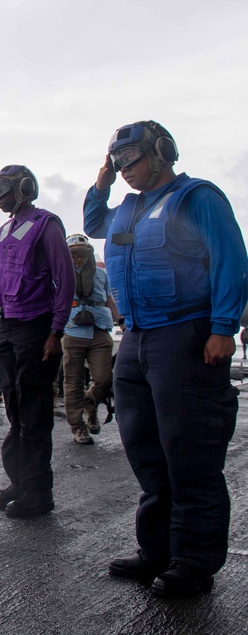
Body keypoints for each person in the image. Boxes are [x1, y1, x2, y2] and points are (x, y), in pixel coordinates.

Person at [84, 120, 248, 598]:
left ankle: (194, 561)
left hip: (186, 334)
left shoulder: (197, 198)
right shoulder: (127, 209)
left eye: (130, 161)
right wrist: (102, 186)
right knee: (146, 451)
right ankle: (155, 549)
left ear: (162, 152)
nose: (125, 171)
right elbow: (96, 225)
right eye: (118, 163)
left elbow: (231, 260)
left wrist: (223, 328)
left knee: (191, 453)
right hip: (136, 339)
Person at [0, 164, 73, 519]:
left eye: (3, 190)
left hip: (34, 327)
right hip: (7, 328)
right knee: (15, 411)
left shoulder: (46, 224)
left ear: (25, 188)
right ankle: (20, 482)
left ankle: (39, 493)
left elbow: (65, 278)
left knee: (34, 413)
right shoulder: (6, 229)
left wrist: (56, 332)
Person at [61, 234, 117, 445]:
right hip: (73, 331)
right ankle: (78, 427)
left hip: (100, 331)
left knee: (103, 379)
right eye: (74, 254)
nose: (78, 259)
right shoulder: (60, 274)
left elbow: (109, 299)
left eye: (82, 254)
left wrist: (121, 321)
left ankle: (90, 405)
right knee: (73, 383)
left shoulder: (101, 275)